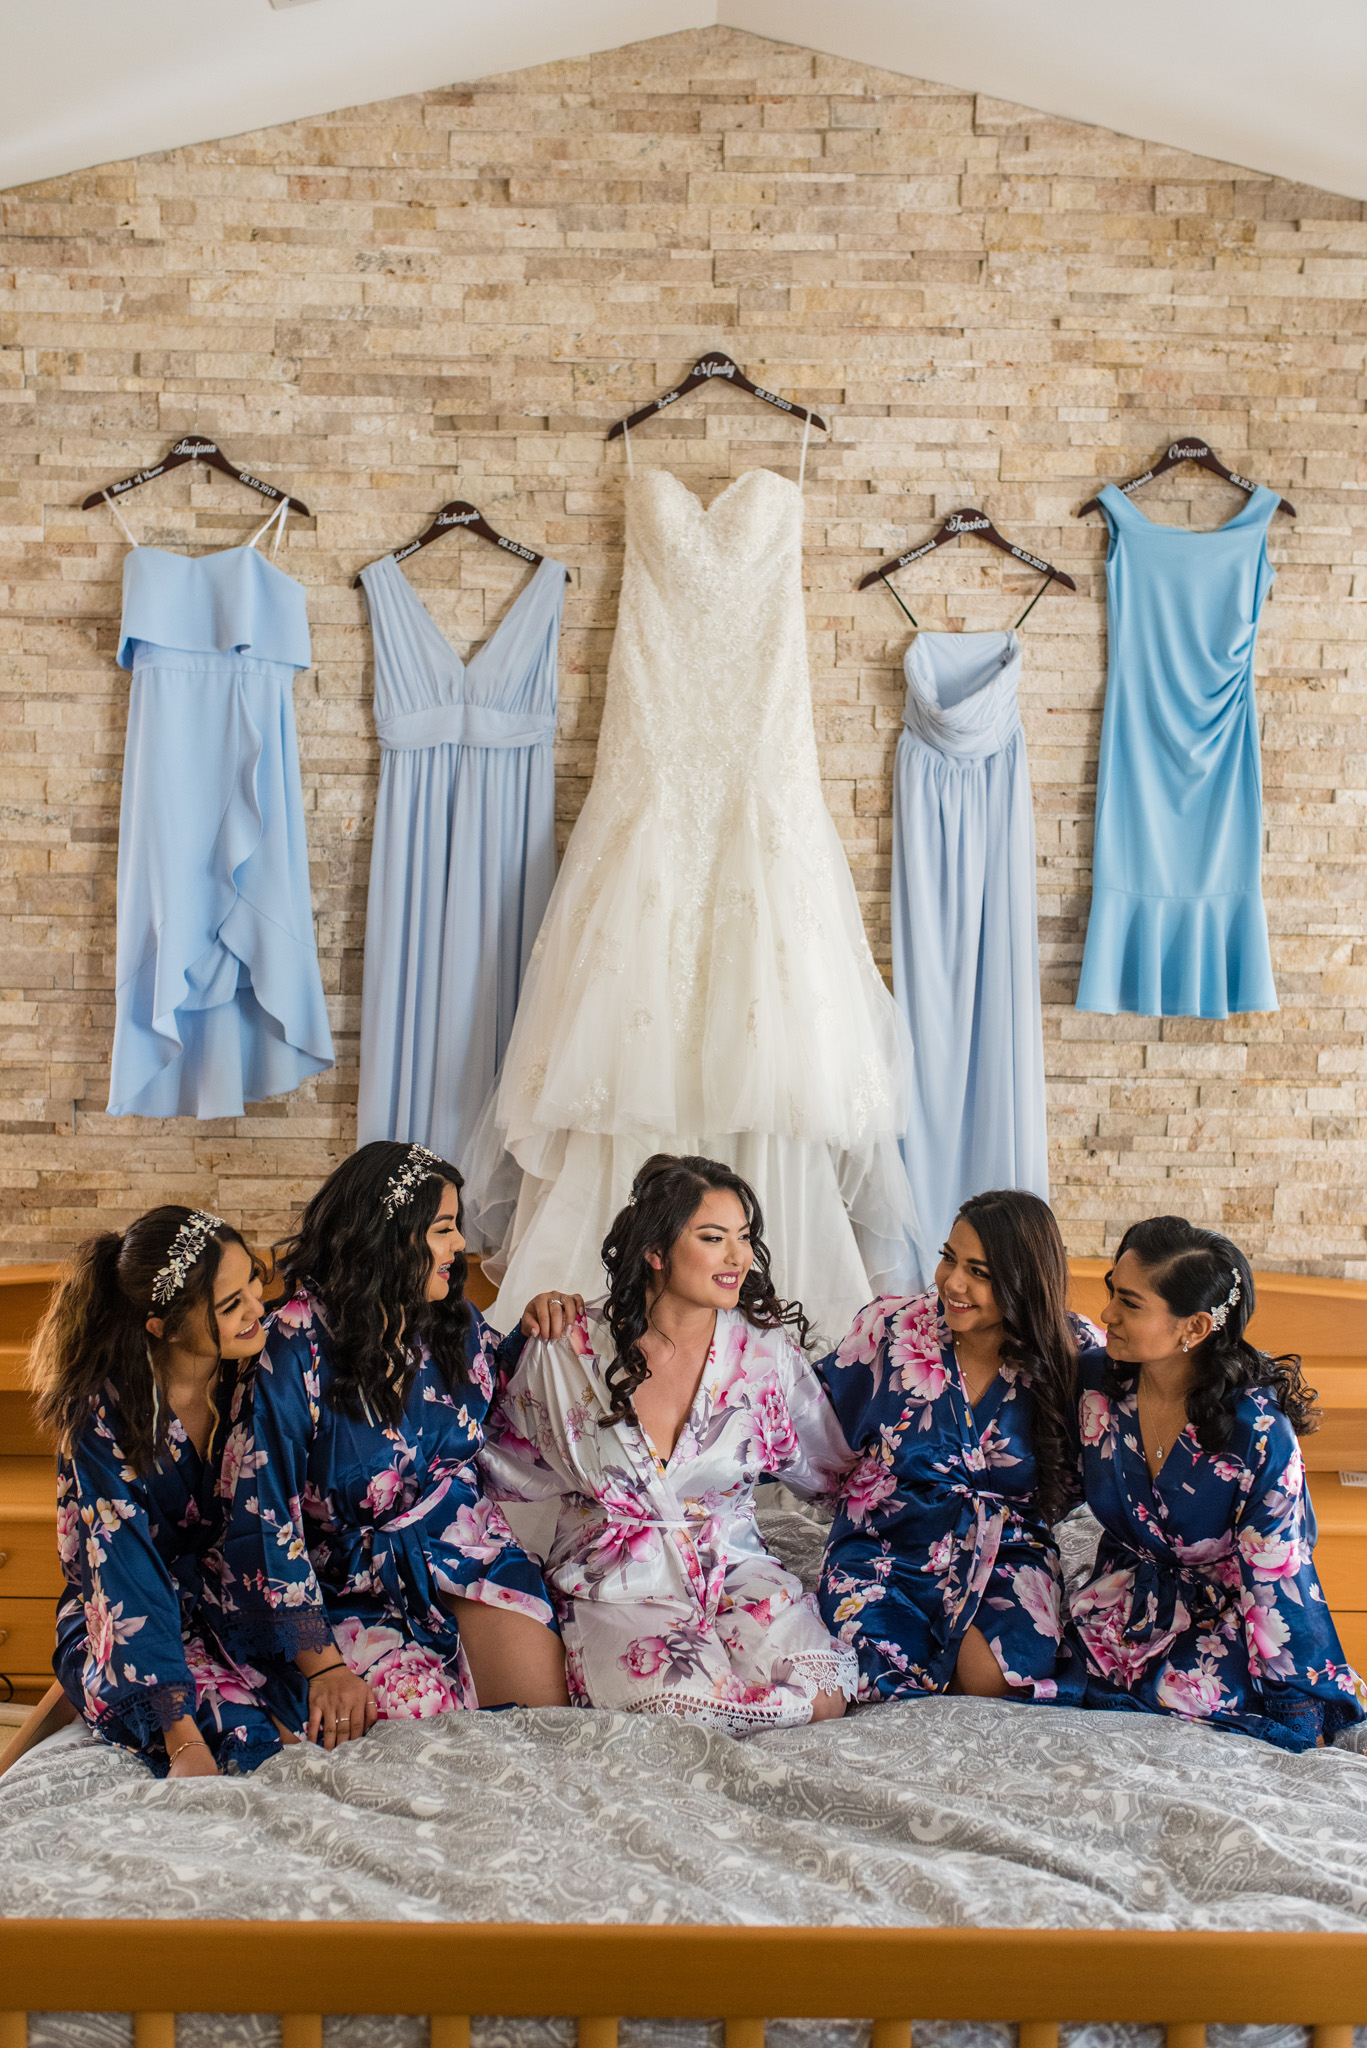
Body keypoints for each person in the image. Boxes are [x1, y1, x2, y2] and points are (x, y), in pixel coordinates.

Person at [480, 1154, 858, 1732]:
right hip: (618, 1581)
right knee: (683, 1710)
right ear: (656, 1252)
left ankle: (757, 1694)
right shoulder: (569, 1349)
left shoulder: (765, 1354)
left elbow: (831, 1472)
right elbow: (487, 1455)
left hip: (733, 1563)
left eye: (745, 1238)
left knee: (823, 1695)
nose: (739, 1258)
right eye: (713, 1238)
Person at [219, 1142, 573, 1743]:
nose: (459, 1244)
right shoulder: (290, 1348)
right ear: (389, 1235)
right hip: (341, 1580)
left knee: (547, 1723)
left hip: (458, 1543)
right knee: (420, 1722)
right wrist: (323, 1665)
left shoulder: (448, 1314)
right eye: (442, 1229)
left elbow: (498, 1399)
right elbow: (263, 1520)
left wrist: (539, 1326)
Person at [1068, 1214, 1367, 1751]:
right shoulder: (1097, 1383)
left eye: (1130, 1304)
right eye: (1112, 1290)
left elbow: (1279, 1576)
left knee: (1187, 1697)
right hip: (1119, 1598)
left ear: (1196, 1327)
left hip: (1220, 1612)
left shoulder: (1258, 1434)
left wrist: (1296, 1706)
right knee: (1040, 1665)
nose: (1107, 1313)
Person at [31, 1207, 282, 1776]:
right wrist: (183, 1740)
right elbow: (123, 1574)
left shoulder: (257, 1369)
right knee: (246, 1738)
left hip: (238, 1602)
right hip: (132, 1621)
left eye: (254, 1282)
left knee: (316, 1712)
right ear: (162, 1326)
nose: (257, 1309)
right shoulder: (104, 1414)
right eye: (230, 1305)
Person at [817, 1190, 1095, 1703]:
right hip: (886, 1540)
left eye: (980, 1272)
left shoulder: (1072, 1354)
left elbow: (1115, 1454)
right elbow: (813, 1418)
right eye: (949, 1258)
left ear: (1025, 1280)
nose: (954, 1283)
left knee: (995, 1681)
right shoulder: (892, 1329)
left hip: (1007, 1547)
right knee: (874, 1676)